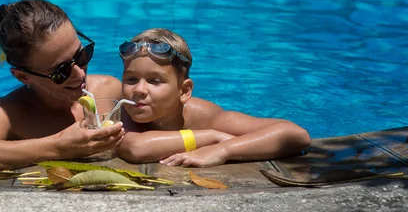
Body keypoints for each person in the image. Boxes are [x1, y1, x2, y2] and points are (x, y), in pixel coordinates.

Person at [0, 0, 124, 174]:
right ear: (23, 76)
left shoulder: (109, 90)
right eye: (61, 71)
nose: (80, 73)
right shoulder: (9, 114)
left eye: (82, 55)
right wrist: (58, 147)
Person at [115, 28, 311, 167]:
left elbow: (295, 135)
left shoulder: (206, 117)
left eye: (154, 81)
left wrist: (223, 150)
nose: (139, 89)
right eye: (131, 79)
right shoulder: (121, 112)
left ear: (184, 91)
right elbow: (135, 147)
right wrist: (212, 137)